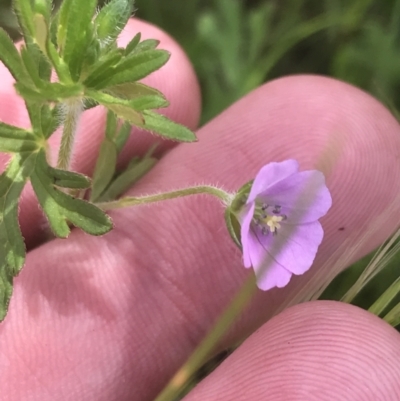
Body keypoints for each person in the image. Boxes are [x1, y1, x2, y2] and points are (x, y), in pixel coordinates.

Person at [0, 18, 399, 401]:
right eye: (264, 213)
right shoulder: (257, 206)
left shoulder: (258, 222)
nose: (266, 217)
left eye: (262, 217)